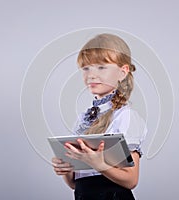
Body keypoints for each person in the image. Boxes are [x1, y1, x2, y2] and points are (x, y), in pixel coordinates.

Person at [52, 33, 147, 200]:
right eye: (86, 68)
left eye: (101, 67)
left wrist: (99, 164)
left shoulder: (126, 117)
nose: (91, 75)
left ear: (122, 72)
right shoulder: (83, 119)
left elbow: (131, 180)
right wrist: (66, 171)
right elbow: (78, 183)